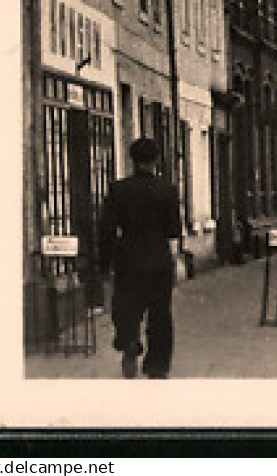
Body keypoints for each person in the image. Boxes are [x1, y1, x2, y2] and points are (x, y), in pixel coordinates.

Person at [98, 137, 182, 379]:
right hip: (158, 260)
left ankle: (129, 341)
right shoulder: (167, 190)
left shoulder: (118, 189)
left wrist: (105, 266)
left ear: (132, 160)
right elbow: (173, 230)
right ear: (156, 160)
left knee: (126, 308)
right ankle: (157, 366)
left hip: (128, 259)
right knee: (160, 315)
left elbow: (106, 230)